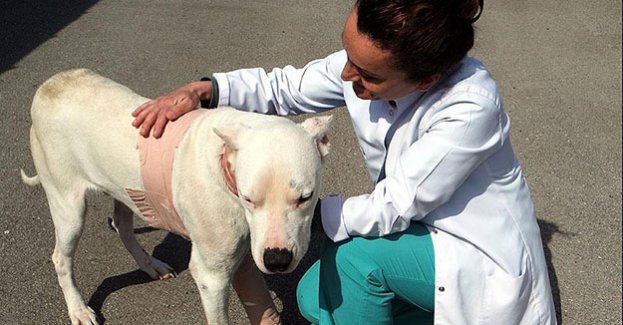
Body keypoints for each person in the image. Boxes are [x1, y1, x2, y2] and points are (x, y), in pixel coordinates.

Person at [132, 0, 557, 324]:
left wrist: (298, 207)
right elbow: (285, 87)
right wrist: (202, 89)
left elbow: (393, 205)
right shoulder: (365, 67)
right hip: (418, 234)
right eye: (348, 58)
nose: (348, 77)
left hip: (473, 254)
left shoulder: (468, 108)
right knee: (316, 296)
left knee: (354, 262)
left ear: (426, 80)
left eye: (367, 75)